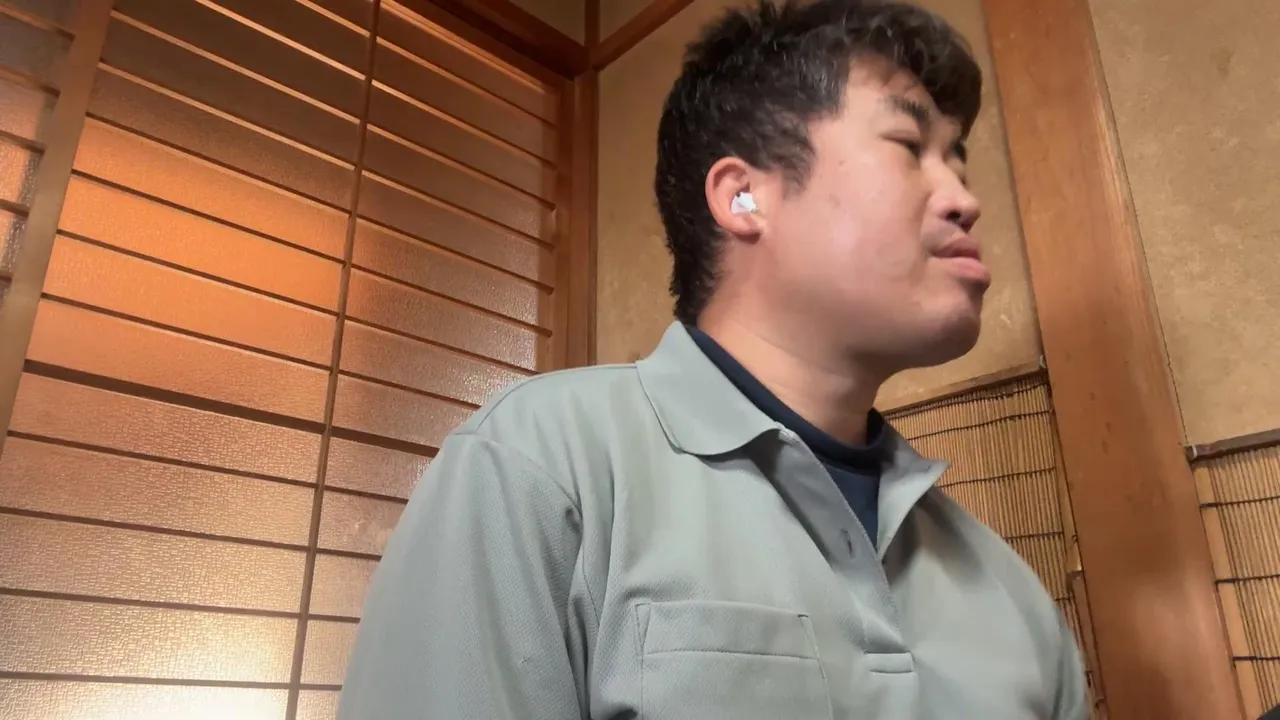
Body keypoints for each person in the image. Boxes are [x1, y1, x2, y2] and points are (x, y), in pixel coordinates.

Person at [338, 0, 1087, 718]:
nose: (963, 198)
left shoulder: (1010, 594)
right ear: (744, 196)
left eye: (959, 161)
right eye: (908, 148)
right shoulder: (542, 462)